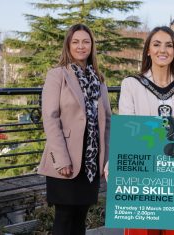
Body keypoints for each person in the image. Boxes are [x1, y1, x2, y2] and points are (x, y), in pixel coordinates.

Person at [119, 26, 174, 235]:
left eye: (169, 45)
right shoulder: (131, 85)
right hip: (142, 173)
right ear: (148, 50)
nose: (162, 50)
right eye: (156, 44)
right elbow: (128, 132)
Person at [38, 23, 111, 235]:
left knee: (81, 218)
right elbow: (50, 119)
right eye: (76, 41)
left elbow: (107, 120)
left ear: (92, 46)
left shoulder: (99, 79)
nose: (81, 46)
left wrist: (107, 159)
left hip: (91, 161)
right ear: (68, 45)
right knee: (64, 218)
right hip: (65, 159)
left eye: (86, 42)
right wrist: (61, 159)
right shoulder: (57, 75)